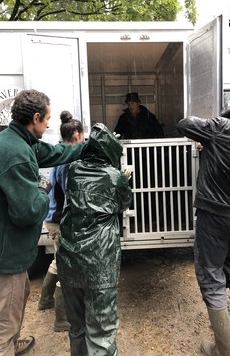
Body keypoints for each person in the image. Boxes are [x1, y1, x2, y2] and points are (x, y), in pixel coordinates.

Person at [176, 91, 230, 356]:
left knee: (212, 279)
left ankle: (223, 350)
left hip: (213, 215)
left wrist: (211, 135)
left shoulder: (224, 128)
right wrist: (212, 144)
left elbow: (184, 124)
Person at [0, 89, 86, 356]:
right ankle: (6, 344)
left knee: (19, 298)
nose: (49, 124)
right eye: (47, 118)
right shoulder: (17, 154)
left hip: (13, 249)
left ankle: (13, 342)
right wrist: (42, 188)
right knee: (6, 316)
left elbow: (53, 152)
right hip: (7, 252)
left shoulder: (18, 140)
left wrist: (87, 147)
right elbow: (27, 211)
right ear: (35, 117)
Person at [57, 123, 132, 356]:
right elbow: (123, 203)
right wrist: (124, 178)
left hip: (69, 260)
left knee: (77, 328)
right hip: (101, 264)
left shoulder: (73, 170)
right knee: (101, 331)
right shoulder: (114, 176)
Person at [38, 111, 84, 332]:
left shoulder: (61, 152)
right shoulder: (67, 159)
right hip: (59, 220)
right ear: (76, 135)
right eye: (83, 135)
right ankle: (61, 319)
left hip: (52, 218)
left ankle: (45, 299)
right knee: (66, 267)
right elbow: (69, 195)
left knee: (58, 260)